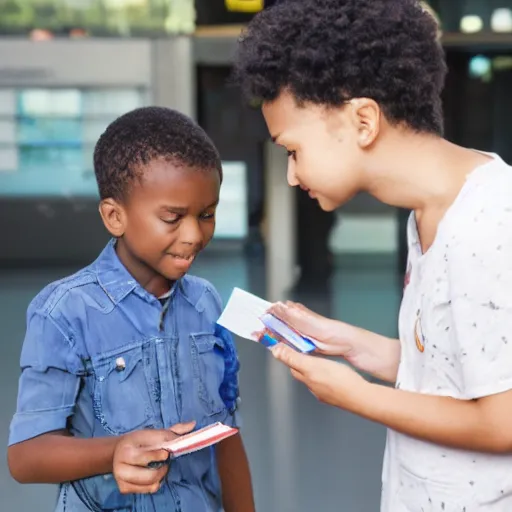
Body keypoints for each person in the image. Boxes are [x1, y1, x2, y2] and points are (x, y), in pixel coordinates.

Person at [234, 0, 512, 510]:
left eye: (293, 150)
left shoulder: (488, 223)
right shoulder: (429, 213)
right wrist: (350, 344)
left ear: (363, 120)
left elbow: (502, 421)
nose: (292, 175)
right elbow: (453, 373)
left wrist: (354, 394)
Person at [7, 107, 255, 512]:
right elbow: (25, 456)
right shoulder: (65, 312)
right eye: (172, 218)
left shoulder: (207, 303)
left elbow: (225, 432)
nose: (194, 235)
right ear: (114, 216)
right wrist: (114, 452)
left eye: (206, 214)